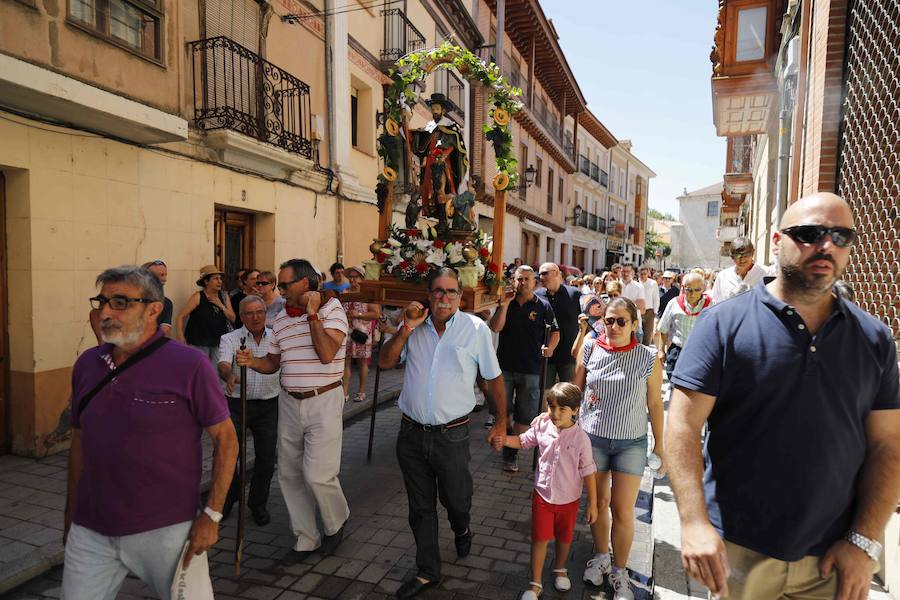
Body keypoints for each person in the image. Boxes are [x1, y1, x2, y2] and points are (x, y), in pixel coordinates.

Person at [666, 193, 900, 600]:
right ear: (777, 241)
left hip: (832, 560)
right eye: (809, 233)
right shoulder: (723, 324)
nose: (826, 246)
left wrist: (865, 542)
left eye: (841, 236)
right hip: (737, 553)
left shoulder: (875, 339)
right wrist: (693, 523)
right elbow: (682, 425)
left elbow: (888, 444)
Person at [64, 266, 237, 599]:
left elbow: (226, 440)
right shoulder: (87, 364)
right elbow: (79, 441)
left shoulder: (189, 365)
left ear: (154, 309)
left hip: (168, 529)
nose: (106, 312)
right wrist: (70, 515)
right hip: (91, 529)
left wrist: (212, 515)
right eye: (102, 302)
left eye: (119, 302)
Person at [378, 267, 507, 598]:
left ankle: (462, 527)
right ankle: (427, 571)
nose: (444, 298)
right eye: (438, 291)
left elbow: (492, 379)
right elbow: (385, 362)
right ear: (428, 294)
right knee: (420, 506)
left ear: (460, 297)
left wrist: (501, 423)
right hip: (410, 434)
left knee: (456, 499)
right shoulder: (414, 327)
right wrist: (406, 328)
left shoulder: (475, 329)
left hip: (452, 435)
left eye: (451, 292)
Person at [236, 258, 350, 565]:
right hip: (288, 401)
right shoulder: (280, 320)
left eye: (285, 285)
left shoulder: (331, 310)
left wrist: (312, 315)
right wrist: (252, 362)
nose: (280, 290)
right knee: (288, 473)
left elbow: (327, 354)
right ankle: (306, 537)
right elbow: (273, 362)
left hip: (323, 398)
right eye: (279, 285)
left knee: (317, 474)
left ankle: (336, 522)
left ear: (307, 283)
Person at [575, 297, 665, 600]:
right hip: (593, 439)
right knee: (598, 504)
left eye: (621, 321)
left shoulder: (648, 357)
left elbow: (654, 403)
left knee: (623, 510)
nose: (613, 326)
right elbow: (577, 390)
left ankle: (620, 571)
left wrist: (660, 446)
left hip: (631, 443)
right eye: (608, 321)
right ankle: (601, 557)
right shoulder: (591, 347)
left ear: (634, 325)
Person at [492, 383, 598, 600]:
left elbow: (588, 472)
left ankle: (560, 568)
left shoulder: (581, 439)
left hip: (569, 500)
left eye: (562, 409)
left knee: (564, 537)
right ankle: (535, 582)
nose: (556, 413)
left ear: (575, 410)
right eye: (552, 407)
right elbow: (523, 441)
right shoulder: (542, 426)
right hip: (542, 497)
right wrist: (504, 441)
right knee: (539, 539)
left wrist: (593, 504)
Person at [489, 265, 559, 473]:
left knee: (524, 416)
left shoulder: (543, 306)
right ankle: (509, 454)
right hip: (504, 368)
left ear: (534, 282)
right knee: (504, 412)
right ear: (514, 281)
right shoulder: (506, 303)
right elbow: (495, 327)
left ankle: (514, 450)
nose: (523, 283)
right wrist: (504, 305)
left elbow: (555, 332)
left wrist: (550, 348)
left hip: (531, 369)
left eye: (527, 279)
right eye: (520, 279)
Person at [217, 295, 280, 526]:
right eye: (249, 313)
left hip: (267, 404)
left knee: (265, 458)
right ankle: (229, 496)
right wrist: (229, 375)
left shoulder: (275, 337)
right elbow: (222, 363)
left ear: (265, 313)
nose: (255, 317)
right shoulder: (230, 338)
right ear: (241, 316)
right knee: (227, 454)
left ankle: (257, 503)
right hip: (235, 404)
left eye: (259, 312)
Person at [654, 272, 710, 381]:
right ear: (683, 288)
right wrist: (661, 350)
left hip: (701, 353)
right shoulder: (674, 303)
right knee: (674, 382)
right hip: (677, 351)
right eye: (689, 290)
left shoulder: (711, 305)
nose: (693, 294)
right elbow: (663, 329)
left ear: (703, 288)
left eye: (697, 290)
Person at [176, 265, 235, 363]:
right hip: (199, 342)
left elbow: (233, 318)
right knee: (201, 372)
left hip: (218, 342)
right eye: (216, 279)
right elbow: (181, 316)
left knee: (217, 374)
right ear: (206, 281)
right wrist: (180, 337)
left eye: (220, 279)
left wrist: (220, 305)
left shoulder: (224, 296)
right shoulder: (198, 297)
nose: (220, 281)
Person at [536, 263, 582, 386]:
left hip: (569, 356)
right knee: (545, 394)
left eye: (545, 273)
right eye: (539, 273)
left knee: (569, 395)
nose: (541, 277)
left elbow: (586, 321)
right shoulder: (537, 296)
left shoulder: (575, 294)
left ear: (556, 273)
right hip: (546, 355)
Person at [342, 265, 381, 402]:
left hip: (362, 333)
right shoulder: (344, 293)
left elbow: (376, 314)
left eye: (356, 276)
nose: (353, 279)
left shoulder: (368, 294)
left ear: (362, 278)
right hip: (346, 333)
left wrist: (358, 314)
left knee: (362, 362)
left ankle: (361, 391)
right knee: (345, 362)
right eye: (351, 277)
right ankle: (344, 392)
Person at [710, 237, 767, 303]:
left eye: (746, 255)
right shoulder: (723, 276)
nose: (742, 260)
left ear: (753, 253)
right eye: (738, 256)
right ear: (732, 257)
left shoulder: (766, 274)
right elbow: (715, 303)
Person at [638, 266, 659, 345]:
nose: (643, 276)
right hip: (638, 311)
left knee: (647, 333)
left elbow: (656, 298)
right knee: (638, 333)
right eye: (641, 274)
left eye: (645, 274)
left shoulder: (653, 283)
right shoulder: (635, 283)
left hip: (649, 311)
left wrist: (655, 312)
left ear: (648, 274)